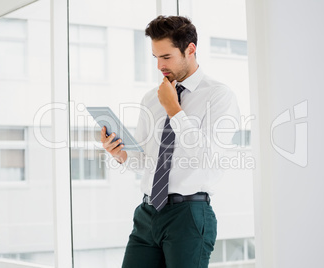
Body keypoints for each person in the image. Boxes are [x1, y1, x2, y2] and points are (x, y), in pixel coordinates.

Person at [101, 15, 240, 268]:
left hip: (188, 214)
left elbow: (209, 157)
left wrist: (174, 110)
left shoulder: (219, 96)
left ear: (190, 49)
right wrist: (119, 153)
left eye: (166, 57)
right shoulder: (151, 99)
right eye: (155, 57)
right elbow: (147, 161)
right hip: (147, 214)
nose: (159, 66)